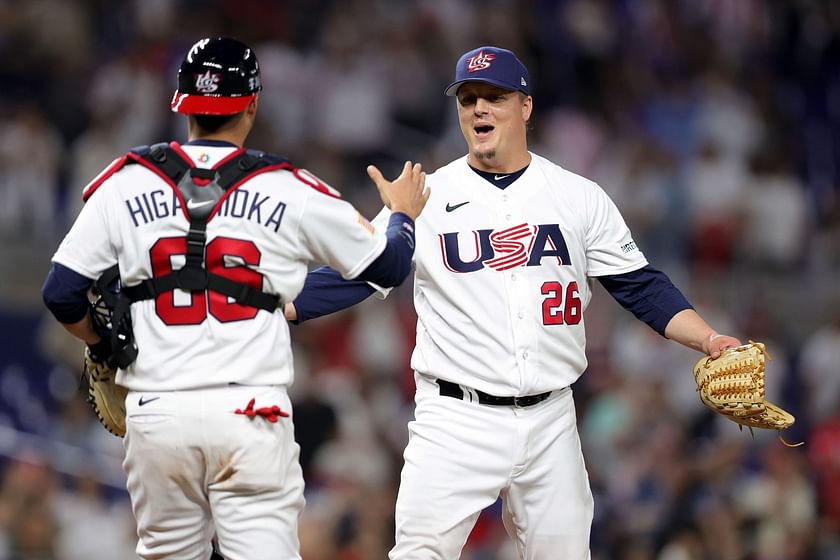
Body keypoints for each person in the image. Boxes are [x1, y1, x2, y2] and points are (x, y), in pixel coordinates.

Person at [284, 46, 741, 559]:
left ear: (525, 106)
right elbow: (358, 275)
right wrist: (267, 302)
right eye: (468, 98)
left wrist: (707, 337)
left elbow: (639, 284)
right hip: (456, 418)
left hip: (551, 418)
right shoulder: (427, 196)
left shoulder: (576, 195)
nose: (479, 108)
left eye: (494, 97)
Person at [41, 36, 428, 559]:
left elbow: (62, 293)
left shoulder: (126, 181)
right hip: (249, 412)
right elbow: (389, 264)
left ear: (182, 104)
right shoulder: (286, 185)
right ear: (252, 104)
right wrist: (401, 214)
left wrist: (103, 345)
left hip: (159, 412)